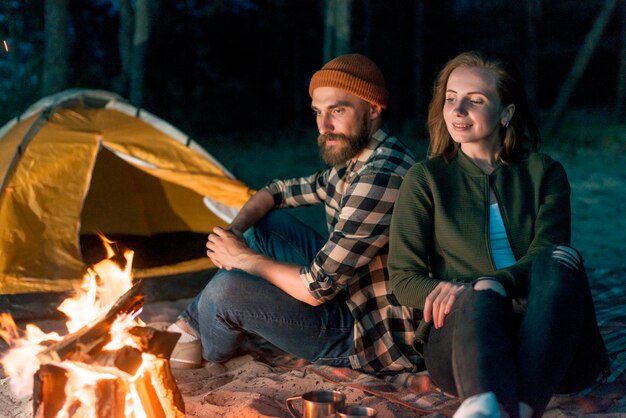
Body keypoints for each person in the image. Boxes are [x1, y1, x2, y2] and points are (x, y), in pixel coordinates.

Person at [167, 53, 422, 375]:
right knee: (267, 224)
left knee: (225, 291)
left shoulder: (380, 176)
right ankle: (192, 326)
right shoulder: (358, 162)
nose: (323, 126)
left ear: (373, 109)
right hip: (352, 296)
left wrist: (242, 257)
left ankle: (207, 348)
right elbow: (276, 191)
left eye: (338, 111)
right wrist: (234, 231)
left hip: (374, 338)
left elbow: (316, 289)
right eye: (318, 112)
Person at [388, 51, 609, 418]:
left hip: (549, 336)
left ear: (506, 113)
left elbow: (545, 253)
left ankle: (516, 409)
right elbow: (403, 280)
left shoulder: (545, 172)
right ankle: (486, 405)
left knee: (560, 261)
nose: (458, 111)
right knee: (480, 296)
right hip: (467, 341)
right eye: (451, 99)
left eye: (474, 101)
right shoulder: (426, 179)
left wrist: (495, 282)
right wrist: (466, 291)